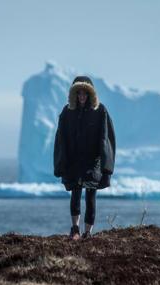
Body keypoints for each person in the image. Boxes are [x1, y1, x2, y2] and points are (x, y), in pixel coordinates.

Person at [53, 75, 116, 241]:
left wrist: (106, 166)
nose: (81, 97)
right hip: (74, 162)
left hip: (92, 163)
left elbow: (106, 138)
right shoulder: (67, 112)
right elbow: (61, 139)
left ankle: (88, 232)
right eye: (79, 93)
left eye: (85, 93)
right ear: (74, 94)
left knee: (90, 195)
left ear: (90, 94)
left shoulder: (100, 111)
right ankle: (75, 230)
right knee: (75, 193)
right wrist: (61, 162)